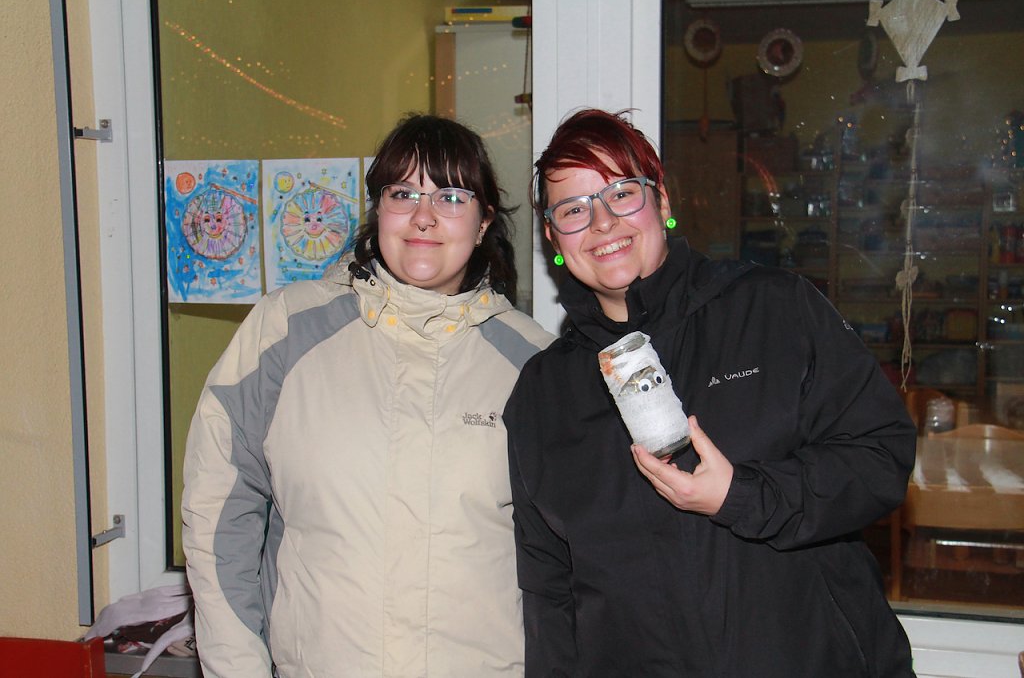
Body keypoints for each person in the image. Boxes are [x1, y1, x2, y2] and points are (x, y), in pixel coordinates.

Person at [504, 108, 917, 677]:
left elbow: (880, 458)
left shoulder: (774, 310)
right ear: (553, 238)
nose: (602, 223)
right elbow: (549, 590)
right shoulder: (543, 394)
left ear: (661, 202)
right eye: (573, 209)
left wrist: (742, 496)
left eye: (621, 193)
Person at [182, 113, 553, 677]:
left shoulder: (534, 365)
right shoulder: (286, 332)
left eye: (451, 196)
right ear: (379, 210)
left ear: (483, 223)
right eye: (402, 193)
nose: (424, 216)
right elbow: (217, 513)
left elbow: (573, 561)